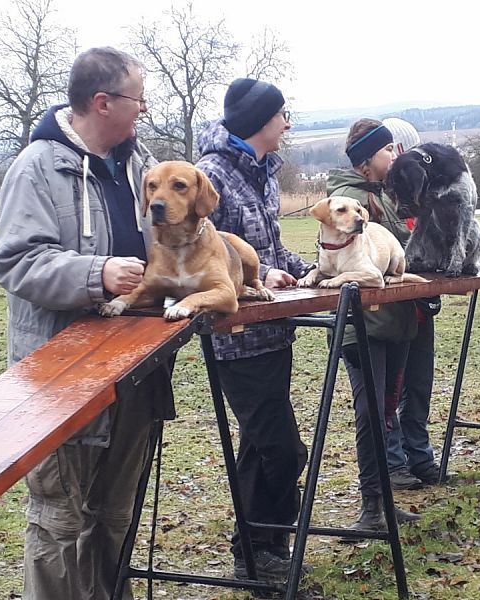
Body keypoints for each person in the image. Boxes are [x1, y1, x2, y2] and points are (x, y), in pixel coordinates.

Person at [0, 47, 175, 600]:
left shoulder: (141, 167)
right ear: (103, 102)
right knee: (58, 519)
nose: (143, 109)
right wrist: (97, 273)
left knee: (115, 512)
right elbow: (15, 260)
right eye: (137, 98)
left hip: (134, 366)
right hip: (59, 376)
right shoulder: (37, 167)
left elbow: (173, 248)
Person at [195, 78, 309, 579]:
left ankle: (259, 552)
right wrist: (256, 276)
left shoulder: (261, 172)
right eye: (283, 114)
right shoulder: (210, 176)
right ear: (262, 120)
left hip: (273, 331)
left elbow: (273, 249)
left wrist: (316, 270)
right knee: (284, 450)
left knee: (259, 447)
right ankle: (263, 540)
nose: (287, 123)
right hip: (235, 337)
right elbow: (197, 254)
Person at [326, 118, 421, 533]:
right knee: (370, 413)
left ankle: (383, 501)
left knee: (384, 412)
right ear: (367, 160)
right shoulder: (348, 201)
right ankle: (370, 507)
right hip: (362, 326)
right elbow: (344, 263)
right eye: (387, 151)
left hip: (391, 320)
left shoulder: (380, 195)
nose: (393, 157)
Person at [381, 118, 442, 487]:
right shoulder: (380, 200)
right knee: (392, 389)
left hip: (419, 304)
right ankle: (394, 461)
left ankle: (419, 456)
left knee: (419, 384)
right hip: (391, 309)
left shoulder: (422, 196)